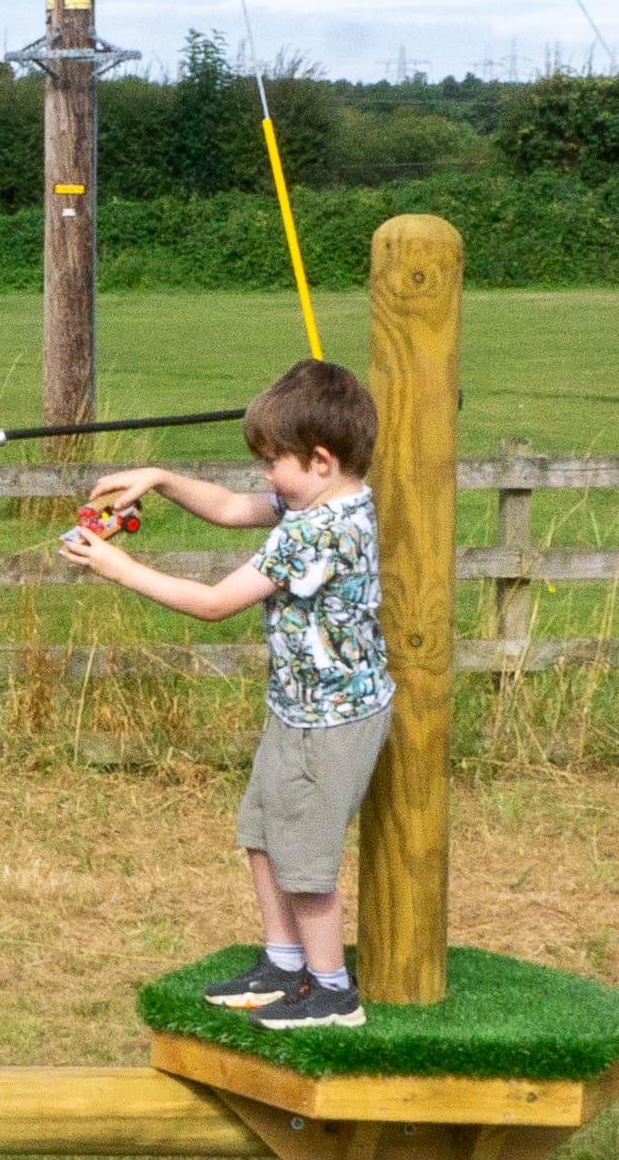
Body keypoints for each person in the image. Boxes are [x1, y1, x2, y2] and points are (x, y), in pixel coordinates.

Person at [56, 359, 389, 1025]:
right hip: (295, 709)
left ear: (319, 460)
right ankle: (283, 963)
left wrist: (119, 569)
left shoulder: (317, 530)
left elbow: (213, 604)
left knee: (305, 860)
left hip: (332, 722)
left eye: (273, 461)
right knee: (263, 833)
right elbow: (234, 508)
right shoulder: (317, 500)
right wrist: (160, 478)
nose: (265, 475)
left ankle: (331, 992)